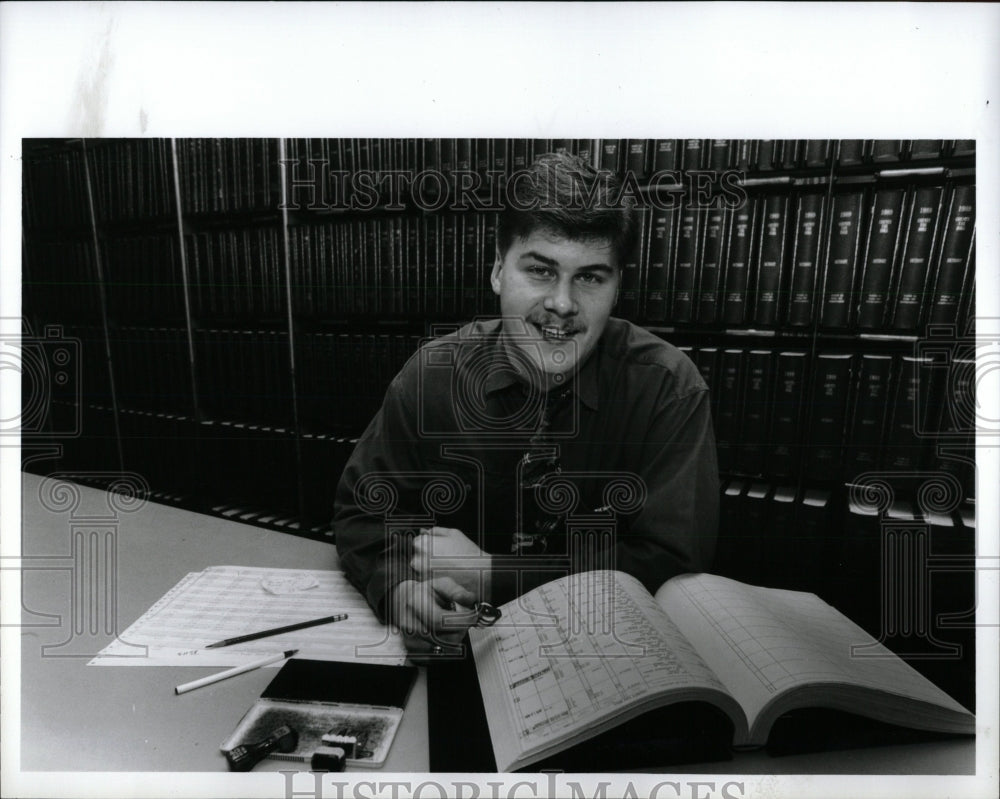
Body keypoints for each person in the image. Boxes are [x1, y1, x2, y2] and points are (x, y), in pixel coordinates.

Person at [334, 151, 718, 657]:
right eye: (541, 270)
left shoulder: (669, 389)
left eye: (590, 277)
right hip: (457, 658)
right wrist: (398, 588)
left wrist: (496, 575)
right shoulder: (432, 375)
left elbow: (673, 562)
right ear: (498, 271)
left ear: (617, 287)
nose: (562, 303)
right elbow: (364, 510)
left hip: (605, 660)